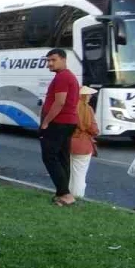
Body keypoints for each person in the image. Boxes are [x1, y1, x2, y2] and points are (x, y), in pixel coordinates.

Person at [40, 48, 79, 206]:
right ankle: (62, 193)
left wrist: (46, 121)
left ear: (63, 59)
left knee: (49, 156)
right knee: (62, 157)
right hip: (68, 122)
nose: (49, 63)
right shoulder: (68, 76)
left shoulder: (62, 77)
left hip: (58, 122)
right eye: (48, 60)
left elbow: (60, 102)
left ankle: (65, 193)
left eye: (53, 60)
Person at [68, 86, 99, 199]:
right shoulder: (88, 109)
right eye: (89, 94)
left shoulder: (70, 107)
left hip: (68, 143)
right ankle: (77, 196)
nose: (90, 96)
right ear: (84, 96)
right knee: (80, 174)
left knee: (69, 172)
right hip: (83, 145)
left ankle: (66, 194)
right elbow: (94, 129)